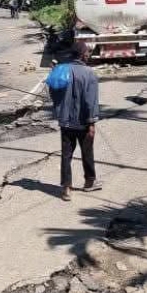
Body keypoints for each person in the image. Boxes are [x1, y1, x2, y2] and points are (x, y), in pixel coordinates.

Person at [50, 40, 101, 201]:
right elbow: (90, 101)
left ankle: (66, 188)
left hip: (65, 121)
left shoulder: (61, 70)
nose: (88, 55)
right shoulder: (89, 73)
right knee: (87, 152)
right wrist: (92, 122)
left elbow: (53, 92)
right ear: (82, 54)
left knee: (66, 154)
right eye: (87, 52)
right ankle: (89, 182)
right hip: (83, 121)